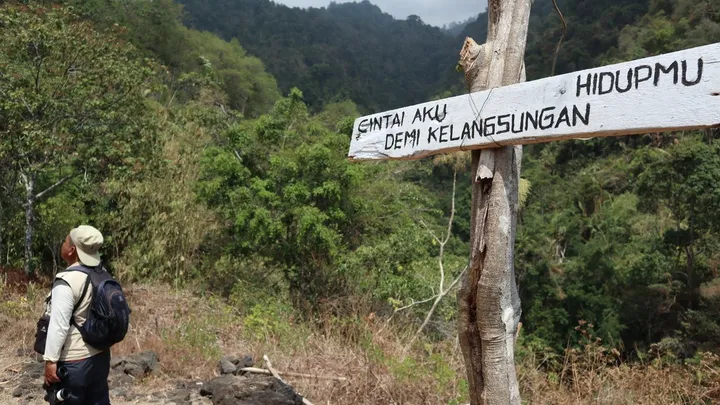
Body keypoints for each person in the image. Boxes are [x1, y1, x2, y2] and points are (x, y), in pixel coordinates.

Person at [43, 225, 111, 405]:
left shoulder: (67, 281)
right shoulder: (102, 274)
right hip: (100, 357)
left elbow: (59, 325)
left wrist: (50, 361)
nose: (63, 245)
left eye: (65, 241)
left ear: (72, 250)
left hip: (74, 362)